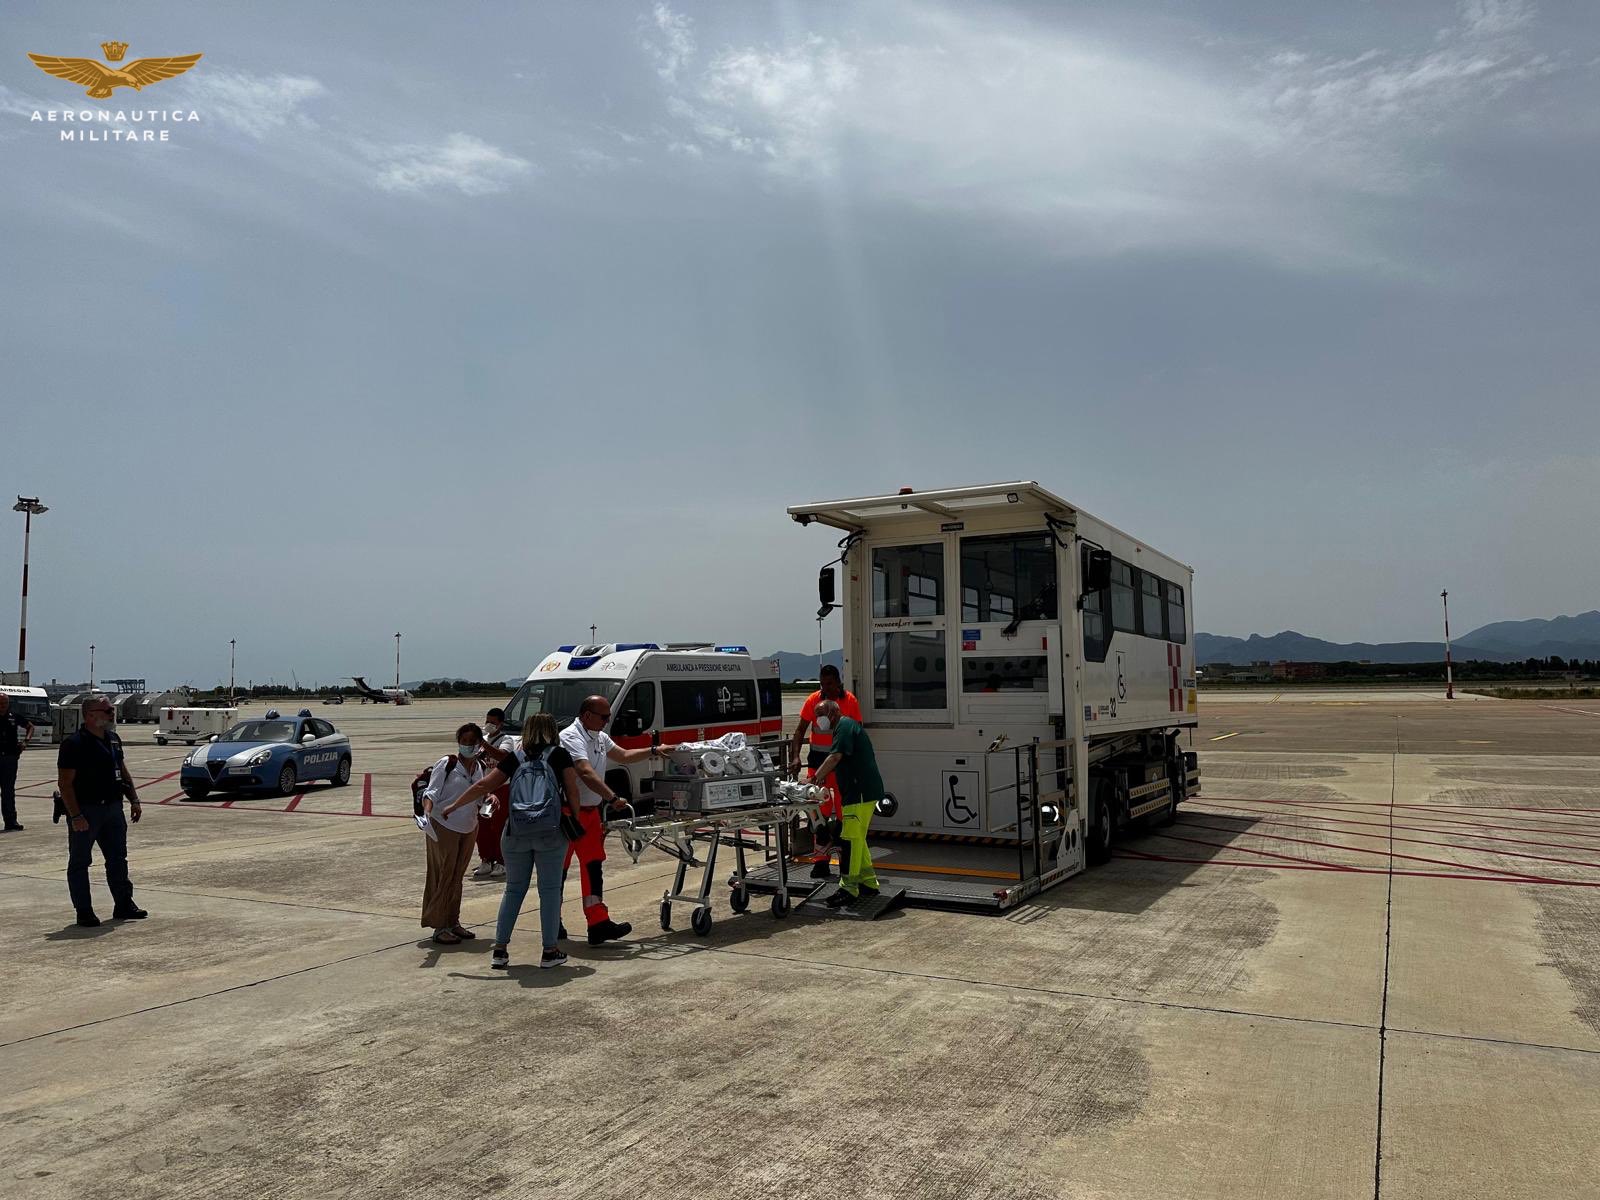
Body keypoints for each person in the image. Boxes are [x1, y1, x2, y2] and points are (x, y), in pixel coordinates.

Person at [444, 713, 578, 970]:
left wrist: (454, 805)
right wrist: (574, 820)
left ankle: (500, 950)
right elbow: (571, 791)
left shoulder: (515, 758)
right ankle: (549, 951)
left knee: (514, 890)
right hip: (550, 832)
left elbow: (484, 785)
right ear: (552, 730)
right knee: (549, 892)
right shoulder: (559, 756)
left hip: (516, 832)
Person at [559, 694, 665, 945]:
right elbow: (584, 771)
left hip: (590, 814)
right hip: (567, 815)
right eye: (603, 716)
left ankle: (597, 923)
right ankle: (552, 920)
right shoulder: (570, 737)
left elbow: (624, 755)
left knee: (593, 868)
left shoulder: (599, 736)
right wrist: (611, 796)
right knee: (558, 871)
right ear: (587, 716)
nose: (607, 721)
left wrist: (654, 750)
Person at [56, 696, 146, 927]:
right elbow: (65, 784)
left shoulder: (114, 740)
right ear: (90, 715)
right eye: (106, 710)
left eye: (111, 709)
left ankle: (124, 903)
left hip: (113, 809)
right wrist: (75, 816)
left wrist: (134, 799)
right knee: (80, 862)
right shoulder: (74, 744)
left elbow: (122, 771)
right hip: (86, 810)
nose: (111, 713)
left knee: (118, 859)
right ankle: (84, 910)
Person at [807, 698, 883, 909]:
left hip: (859, 793)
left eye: (821, 714)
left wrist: (815, 779)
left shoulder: (845, 725)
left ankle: (849, 888)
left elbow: (834, 757)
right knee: (858, 838)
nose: (819, 719)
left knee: (849, 840)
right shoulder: (846, 726)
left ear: (833, 713)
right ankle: (868, 882)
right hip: (861, 792)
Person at [788, 665, 861, 877]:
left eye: (829, 683)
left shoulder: (849, 701)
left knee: (843, 817)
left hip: (841, 767)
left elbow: (857, 732)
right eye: (822, 684)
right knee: (818, 816)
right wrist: (795, 757)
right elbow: (800, 730)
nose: (825, 688)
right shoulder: (813, 700)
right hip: (817, 766)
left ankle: (845, 863)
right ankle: (820, 861)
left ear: (838, 682)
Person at [419, 722, 487, 944]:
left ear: (479, 744)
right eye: (464, 741)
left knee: (457, 877)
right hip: (444, 825)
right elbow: (432, 792)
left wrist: (489, 798)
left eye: (472, 742)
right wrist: (427, 815)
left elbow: (479, 794)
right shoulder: (447, 764)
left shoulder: (478, 767)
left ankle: (453, 921)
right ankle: (439, 926)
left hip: (468, 826)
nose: (467, 746)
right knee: (443, 875)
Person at [470, 707, 515, 880]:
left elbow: (502, 756)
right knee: (482, 827)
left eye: (493, 723)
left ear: (501, 724)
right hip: (485, 788)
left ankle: (501, 861)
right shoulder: (485, 740)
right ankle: (486, 859)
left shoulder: (506, 740)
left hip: (501, 787)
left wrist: (483, 744)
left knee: (498, 826)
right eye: (487, 721)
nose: (489, 725)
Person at [1, 691, 35, 832]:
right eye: (0, 703)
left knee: (8, 791)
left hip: (9, 758)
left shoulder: (13, 717)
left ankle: (11, 821)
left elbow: (30, 727)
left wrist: (25, 742)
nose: (2, 706)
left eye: (5, 703)